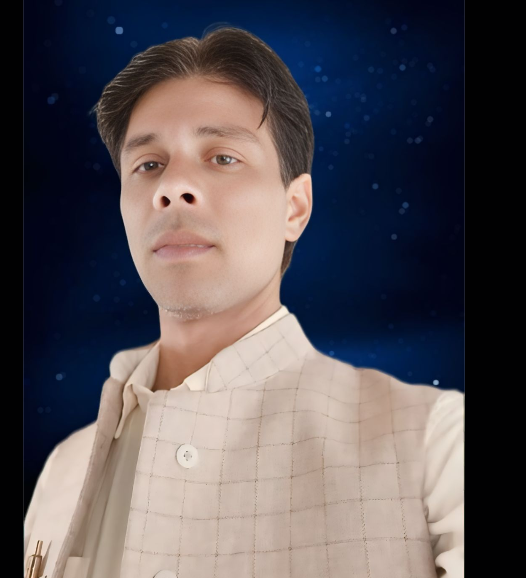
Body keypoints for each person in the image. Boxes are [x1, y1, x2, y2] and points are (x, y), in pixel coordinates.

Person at [24, 25, 464, 578]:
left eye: (222, 157)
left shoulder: (436, 443)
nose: (172, 187)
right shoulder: (62, 473)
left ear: (294, 208)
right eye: (148, 164)